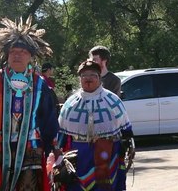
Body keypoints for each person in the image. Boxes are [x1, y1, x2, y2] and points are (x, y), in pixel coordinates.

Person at [0, 16, 59, 191]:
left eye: (23, 52)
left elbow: (49, 118)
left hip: (31, 151)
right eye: (13, 51)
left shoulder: (40, 84)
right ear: (6, 55)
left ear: (31, 57)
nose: (17, 55)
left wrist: (52, 149)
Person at [57, 60, 135, 191]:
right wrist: (57, 153)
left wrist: (126, 146)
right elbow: (61, 134)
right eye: (84, 76)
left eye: (92, 75)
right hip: (79, 156)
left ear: (99, 78)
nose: (88, 79)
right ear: (79, 79)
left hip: (108, 153)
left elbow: (127, 130)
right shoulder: (70, 104)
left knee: (106, 186)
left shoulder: (113, 100)